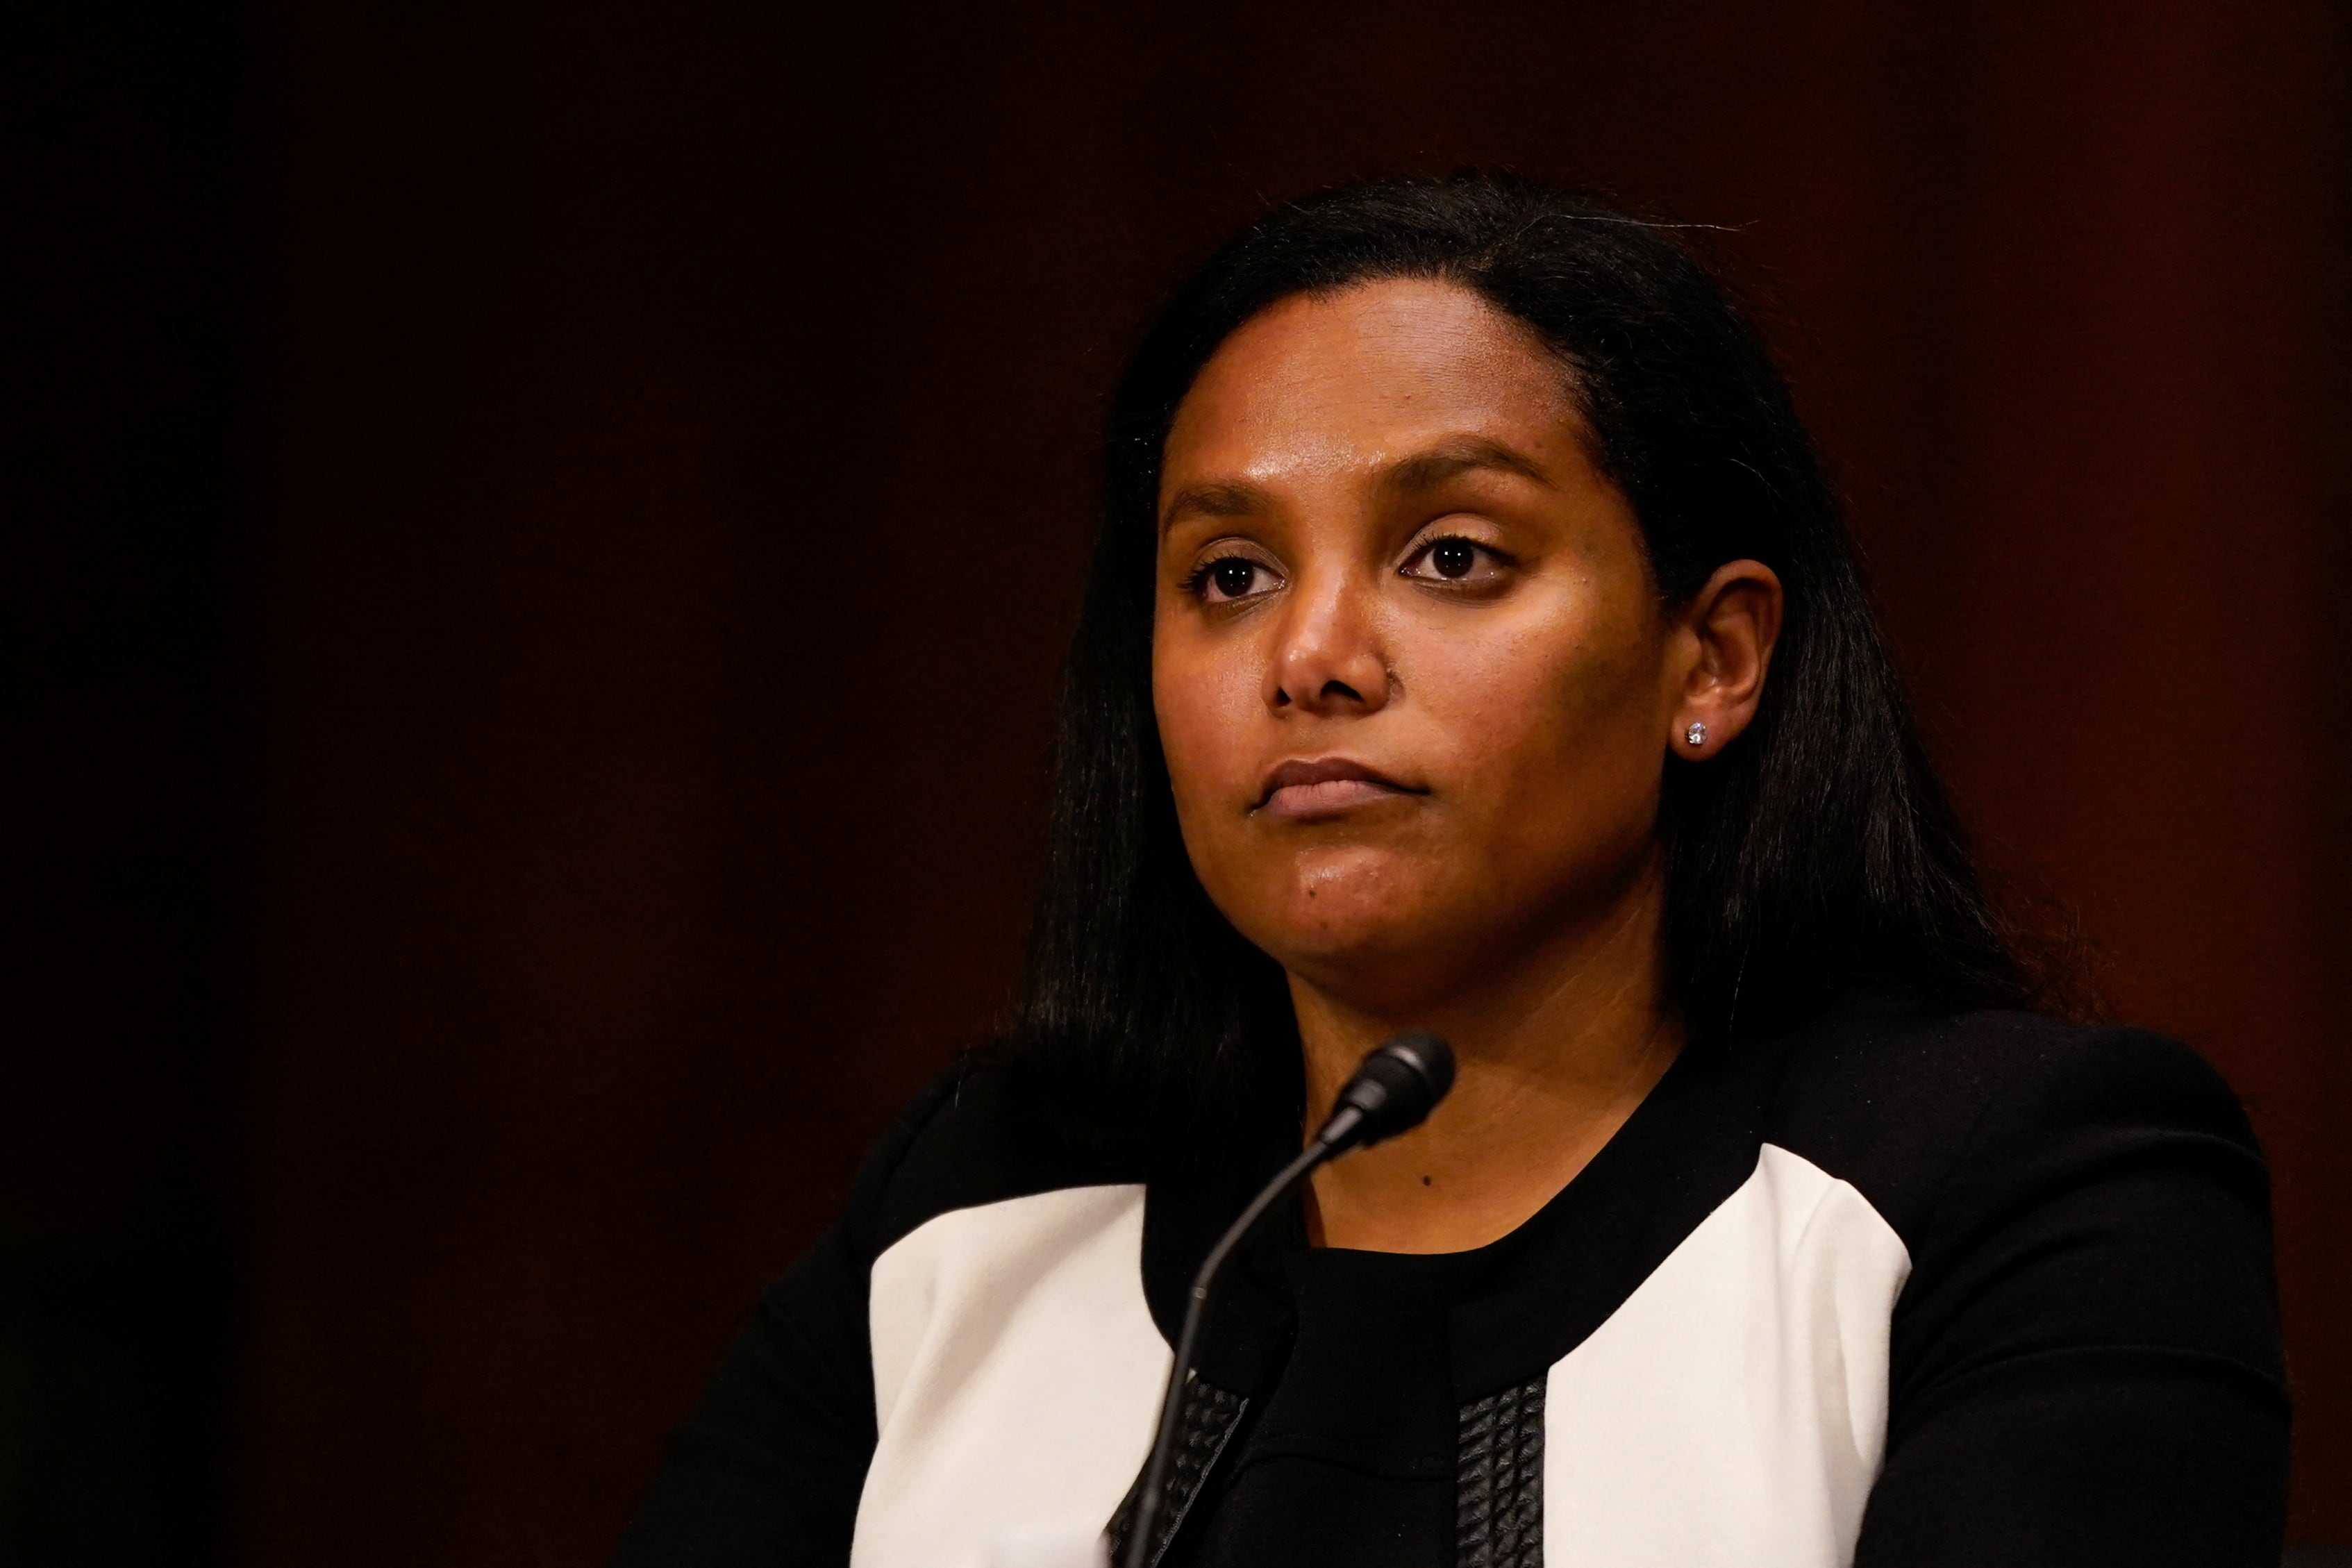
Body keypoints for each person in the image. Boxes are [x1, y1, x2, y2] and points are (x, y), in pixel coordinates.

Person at [612, 174, 2288, 1568]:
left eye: (1451, 557)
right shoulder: (984, 1200)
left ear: (1709, 659)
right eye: (1227, 574)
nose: (1312, 655)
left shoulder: (2010, 1189)